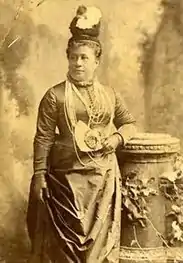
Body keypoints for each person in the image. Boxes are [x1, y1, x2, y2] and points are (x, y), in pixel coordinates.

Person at [27, 5, 136, 263]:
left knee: (98, 253)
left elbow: (129, 124)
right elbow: (42, 137)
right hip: (65, 182)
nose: (78, 63)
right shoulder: (55, 96)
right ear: (68, 58)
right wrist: (39, 175)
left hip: (102, 182)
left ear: (97, 61)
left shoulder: (110, 95)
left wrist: (117, 139)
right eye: (73, 57)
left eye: (84, 58)